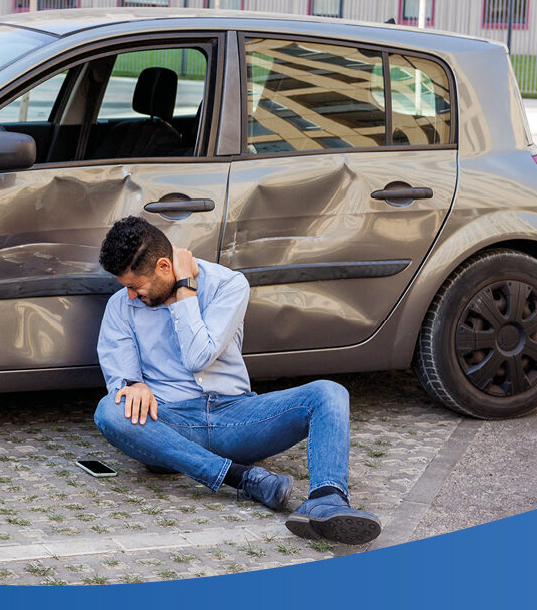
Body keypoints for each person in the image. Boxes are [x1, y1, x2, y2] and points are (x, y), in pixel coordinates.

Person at [93, 216, 382, 545]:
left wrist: (184, 291)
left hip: (236, 417)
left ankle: (327, 500)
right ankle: (241, 478)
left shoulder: (227, 285)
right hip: (172, 426)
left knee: (329, 393)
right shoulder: (120, 308)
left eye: (135, 286)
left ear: (163, 266)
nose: (130, 295)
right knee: (109, 410)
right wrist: (133, 384)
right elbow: (120, 377)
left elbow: (199, 357)